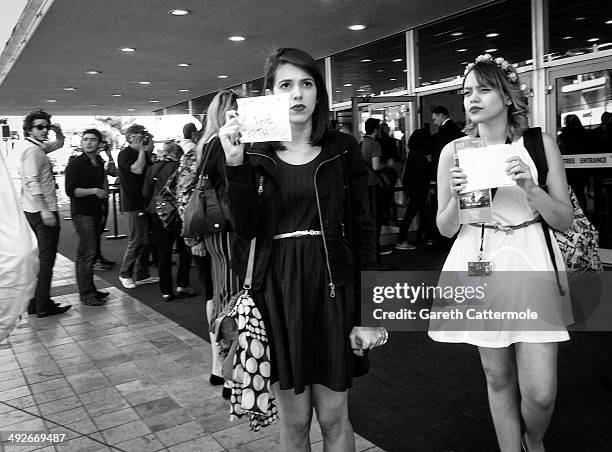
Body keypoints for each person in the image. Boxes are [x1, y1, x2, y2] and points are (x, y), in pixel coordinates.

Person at [220, 47, 387, 451]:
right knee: (294, 421)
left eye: (307, 84)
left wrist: (368, 312)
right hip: (276, 291)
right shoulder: (255, 154)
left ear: (318, 93)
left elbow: (365, 232)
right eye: (286, 85)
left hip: (333, 288)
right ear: (270, 94)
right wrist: (235, 164)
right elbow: (244, 230)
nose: (297, 94)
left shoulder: (343, 149)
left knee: (334, 417)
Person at [429, 53, 573, 452]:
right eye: (466, 92)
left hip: (530, 257)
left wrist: (531, 187)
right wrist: (457, 197)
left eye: (483, 89)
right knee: (497, 376)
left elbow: (564, 220)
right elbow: (444, 228)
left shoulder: (539, 145)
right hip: (478, 259)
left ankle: (534, 439)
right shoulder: (454, 151)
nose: (471, 99)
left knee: (540, 391)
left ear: (508, 96)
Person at [188, 89, 242, 397]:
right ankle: (231, 374)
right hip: (227, 231)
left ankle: (218, 368)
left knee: (219, 298)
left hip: (214, 232)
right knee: (232, 301)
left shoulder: (204, 144)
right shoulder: (221, 145)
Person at [15, 110, 71, 318]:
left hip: (33, 210)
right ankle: (43, 305)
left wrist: (59, 132)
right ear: (29, 129)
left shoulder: (36, 147)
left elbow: (59, 144)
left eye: (46, 126)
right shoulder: (33, 151)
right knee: (46, 259)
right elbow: (32, 181)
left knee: (39, 259)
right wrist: (45, 209)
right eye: (40, 127)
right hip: (41, 210)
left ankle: (34, 302)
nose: (44, 130)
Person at [142, 142, 196, 302]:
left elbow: (145, 192)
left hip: (156, 212)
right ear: (179, 155)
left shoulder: (153, 168)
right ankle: (182, 284)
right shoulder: (181, 169)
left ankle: (166, 290)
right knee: (185, 249)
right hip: (178, 213)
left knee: (163, 252)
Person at [64, 128, 111, 306]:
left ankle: (91, 289)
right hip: (82, 213)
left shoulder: (99, 161)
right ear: (82, 142)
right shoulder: (76, 163)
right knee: (87, 252)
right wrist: (93, 191)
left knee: (91, 252)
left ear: (98, 143)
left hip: (96, 211)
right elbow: (71, 190)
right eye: (86, 139)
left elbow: (105, 180)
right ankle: (86, 293)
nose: (89, 142)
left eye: (92, 139)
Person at [117, 125, 159, 289]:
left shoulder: (144, 153)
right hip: (133, 203)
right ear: (130, 137)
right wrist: (142, 151)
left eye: (144, 134)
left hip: (145, 202)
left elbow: (150, 173)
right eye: (139, 135)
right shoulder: (125, 154)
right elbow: (137, 169)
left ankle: (142, 273)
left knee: (147, 240)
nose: (143, 137)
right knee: (136, 239)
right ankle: (125, 273)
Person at [427, 105, 463, 248]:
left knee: (441, 209)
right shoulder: (458, 132)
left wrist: (434, 178)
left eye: (435, 118)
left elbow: (438, 159)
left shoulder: (442, 135)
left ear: (441, 115)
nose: (434, 122)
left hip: (446, 177)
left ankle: (439, 242)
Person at [395, 128, 433, 250]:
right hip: (419, 189)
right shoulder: (421, 154)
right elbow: (422, 172)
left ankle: (424, 236)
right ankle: (403, 240)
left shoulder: (411, 152)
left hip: (412, 188)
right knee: (413, 214)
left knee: (422, 213)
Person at [93, 137, 117, 271]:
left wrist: (109, 155)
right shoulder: (90, 161)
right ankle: (95, 259)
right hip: (96, 199)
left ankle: (98, 256)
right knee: (95, 230)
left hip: (104, 196)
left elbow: (113, 172)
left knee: (100, 229)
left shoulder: (101, 160)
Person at [558, 114, 589, 210]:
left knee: (568, 194)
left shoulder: (565, 135)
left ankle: (573, 217)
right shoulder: (584, 134)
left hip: (568, 169)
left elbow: (561, 149)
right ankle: (584, 215)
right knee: (580, 193)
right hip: (582, 169)